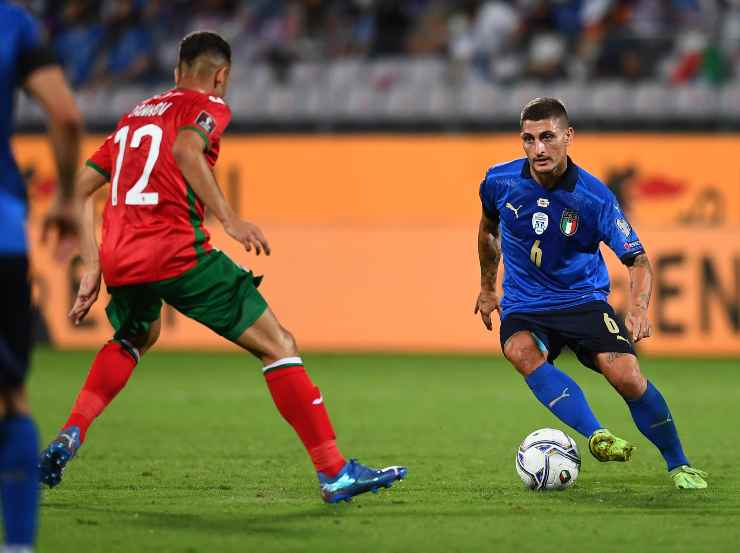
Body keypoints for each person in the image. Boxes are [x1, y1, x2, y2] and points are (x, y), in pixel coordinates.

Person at [38, 31, 406, 504]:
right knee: (279, 344)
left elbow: (80, 188)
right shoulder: (206, 106)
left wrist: (91, 266)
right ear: (222, 75)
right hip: (174, 250)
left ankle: (72, 431)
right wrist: (229, 219)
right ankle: (334, 471)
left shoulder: (135, 116)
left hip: (122, 256)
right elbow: (186, 151)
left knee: (135, 336)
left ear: (176, 72)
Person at [474, 97, 707, 489]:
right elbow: (487, 231)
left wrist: (637, 309)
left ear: (568, 136)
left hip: (582, 302)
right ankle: (597, 434)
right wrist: (486, 287)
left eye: (547, 137)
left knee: (627, 375)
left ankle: (679, 464)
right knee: (520, 350)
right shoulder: (499, 181)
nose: (538, 149)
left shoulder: (594, 198)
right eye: (528, 139)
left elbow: (638, 261)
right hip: (526, 304)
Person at [0, 2, 83, 551]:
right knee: (11, 398)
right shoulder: (13, 21)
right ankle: (20, 545)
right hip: (0, 229)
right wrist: (70, 199)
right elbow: (67, 117)